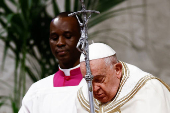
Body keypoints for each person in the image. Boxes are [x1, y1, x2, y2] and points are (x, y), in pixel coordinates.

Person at [19, 12, 86, 113]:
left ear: (82, 38)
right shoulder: (38, 90)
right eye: (54, 38)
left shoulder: (98, 87)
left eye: (68, 36)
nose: (60, 43)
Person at [76, 43, 170, 113]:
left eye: (99, 80)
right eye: (88, 81)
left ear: (117, 70)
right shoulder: (83, 96)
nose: (94, 88)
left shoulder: (148, 90)